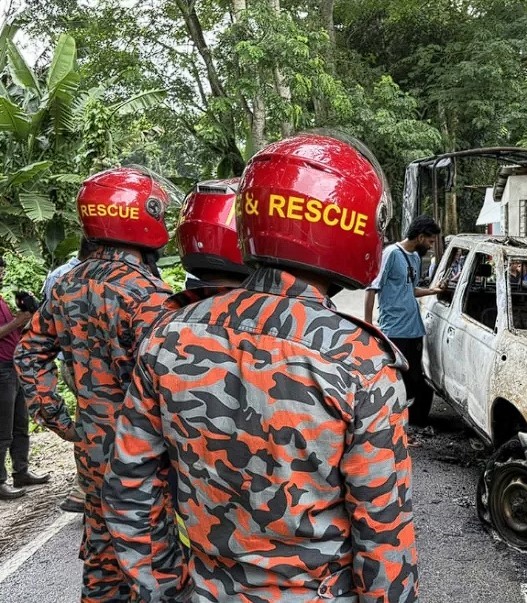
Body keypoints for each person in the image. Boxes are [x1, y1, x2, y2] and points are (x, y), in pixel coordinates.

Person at [104, 133, 419, 602]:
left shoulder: (168, 337)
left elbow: (128, 490)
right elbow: (383, 538)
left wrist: (167, 591)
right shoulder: (361, 362)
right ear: (350, 225)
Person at [15, 166, 184, 602]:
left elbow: (28, 353)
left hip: (90, 448)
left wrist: (56, 417)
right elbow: (172, 383)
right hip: (145, 456)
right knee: (152, 558)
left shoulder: (68, 285)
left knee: (102, 554)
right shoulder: (150, 296)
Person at [365, 214, 442, 425]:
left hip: (414, 328)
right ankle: (387, 420)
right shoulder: (391, 254)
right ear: (419, 236)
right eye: (430, 241)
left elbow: (410, 289)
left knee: (416, 379)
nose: (430, 245)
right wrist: (368, 325)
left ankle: (410, 423)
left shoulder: (415, 258)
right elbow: (372, 288)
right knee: (397, 377)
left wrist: (432, 291)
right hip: (394, 329)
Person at [40, 240, 99, 513]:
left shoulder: (59, 275)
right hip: (94, 364)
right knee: (100, 422)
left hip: (72, 363)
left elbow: (43, 329)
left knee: (87, 420)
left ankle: (84, 487)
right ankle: (88, 487)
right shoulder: (100, 276)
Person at [0, 258, 50, 501]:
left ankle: (21, 471)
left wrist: (26, 319)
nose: (1, 276)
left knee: (20, 424)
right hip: (1, 370)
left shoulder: (1, 300)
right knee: (3, 429)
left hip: (13, 366)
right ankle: (0, 481)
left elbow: (12, 331)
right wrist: (16, 322)